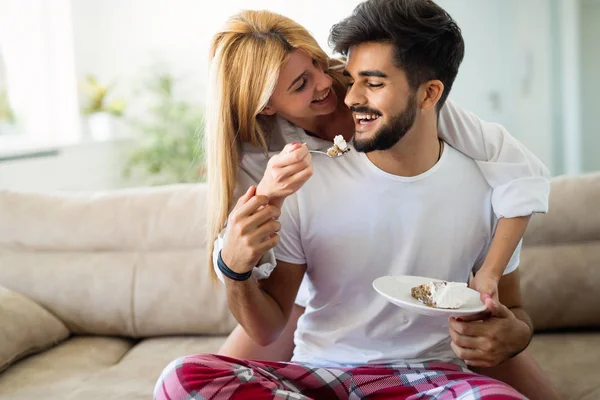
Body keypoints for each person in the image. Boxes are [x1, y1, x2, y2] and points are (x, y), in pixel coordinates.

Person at [155, 2, 558, 399]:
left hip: (428, 371)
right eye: (301, 85)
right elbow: (260, 302)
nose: (335, 90)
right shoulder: (280, 170)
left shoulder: (471, 163)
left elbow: (522, 174)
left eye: (320, 65)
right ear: (266, 106)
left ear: (428, 94)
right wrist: (234, 264)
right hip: (322, 343)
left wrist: (496, 290)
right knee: (184, 378)